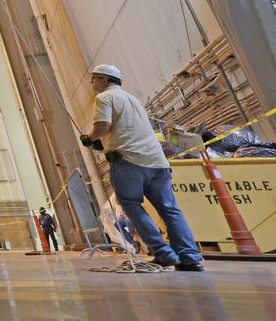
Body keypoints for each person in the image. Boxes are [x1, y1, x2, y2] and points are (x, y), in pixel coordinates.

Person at [81, 63, 204, 272]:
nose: (92, 83)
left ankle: (163, 254)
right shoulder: (133, 100)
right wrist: (101, 142)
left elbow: (102, 125)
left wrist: (89, 138)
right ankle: (189, 257)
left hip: (129, 161)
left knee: (130, 204)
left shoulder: (104, 98)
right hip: (158, 163)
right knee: (169, 209)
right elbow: (126, 129)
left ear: (103, 79)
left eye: (94, 78)